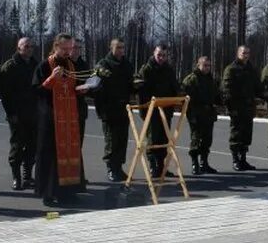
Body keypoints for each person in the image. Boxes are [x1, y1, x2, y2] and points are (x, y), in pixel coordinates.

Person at [33, 34, 91, 206]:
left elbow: (73, 88)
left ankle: (69, 192)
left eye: (70, 48)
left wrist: (83, 90)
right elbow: (36, 90)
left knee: (71, 152)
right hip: (51, 118)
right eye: (64, 49)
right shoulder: (44, 65)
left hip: (70, 117)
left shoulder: (72, 65)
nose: (68, 52)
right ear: (56, 46)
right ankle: (49, 193)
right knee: (51, 155)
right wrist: (51, 79)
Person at [94, 38, 135, 181]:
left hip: (123, 107)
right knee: (111, 140)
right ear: (111, 48)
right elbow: (96, 81)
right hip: (109, 108)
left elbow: (130, 83)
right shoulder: (103, 64)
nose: (121, 51)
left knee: (122, 140)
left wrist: (136, 84)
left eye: (123, 48)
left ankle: (119, 167)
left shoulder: (127, 64)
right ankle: (111, 168)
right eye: (118, 47)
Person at [0, 37, 37, 191]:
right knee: (17, 146)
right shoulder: (10, 66)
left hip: (33, 113)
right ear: (18, 48)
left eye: (31, 46)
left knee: (32, 146)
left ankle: (27, 176)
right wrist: (11, 113)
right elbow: (5, 94)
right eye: (25, 46)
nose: (29, 49)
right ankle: (17, 177)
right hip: (17, 114)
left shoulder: (35, 65)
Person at [136, 44, 180, 178]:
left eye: (164, 55)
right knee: (153, 139)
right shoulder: (147, 69)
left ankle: (161, 167)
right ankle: (153, 166)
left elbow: (174, 88)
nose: (161, 58)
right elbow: (141, 91)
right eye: (159, 55)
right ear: (154, 53)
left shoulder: (169, 70)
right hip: (151, 110)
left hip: (165, 110)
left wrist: (177, 99)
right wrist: (143, 110)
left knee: (163, 139)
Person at [222, 45, 265, 171]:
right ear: (238, 54)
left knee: (246, 135)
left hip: (248, 107)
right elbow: (226, 90)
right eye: (243, 53)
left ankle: (243, 159)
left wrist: (266, 95)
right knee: (236, 134)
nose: (246, 55)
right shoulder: (231, 69)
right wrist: (230, 107)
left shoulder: (251, 69)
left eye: (247, 53)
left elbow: (258, 87)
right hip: (236, 108)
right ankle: (235, 160)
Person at [181, 56, 219, 175]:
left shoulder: (210, 79)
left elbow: (215, 94)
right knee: (196, 139)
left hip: (208, 113)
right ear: (198, 65)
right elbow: (185, 97)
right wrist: (191, 113)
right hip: (196, 113)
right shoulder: (191, 79)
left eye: (209, 65)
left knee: (207, 140)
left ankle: (204, 163)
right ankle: (195, 163)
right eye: (204, 65)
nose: (207, 68)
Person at [70, 38, 92, 185]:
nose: (76, 50)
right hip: (66, 109)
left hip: (80, 109)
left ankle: (79, 175)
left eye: (79, 48)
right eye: (74, 47)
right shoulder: (64, 64)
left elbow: (90, 82)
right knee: (68, 144)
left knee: (78, 144)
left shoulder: (83, 65)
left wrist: (90, 87)